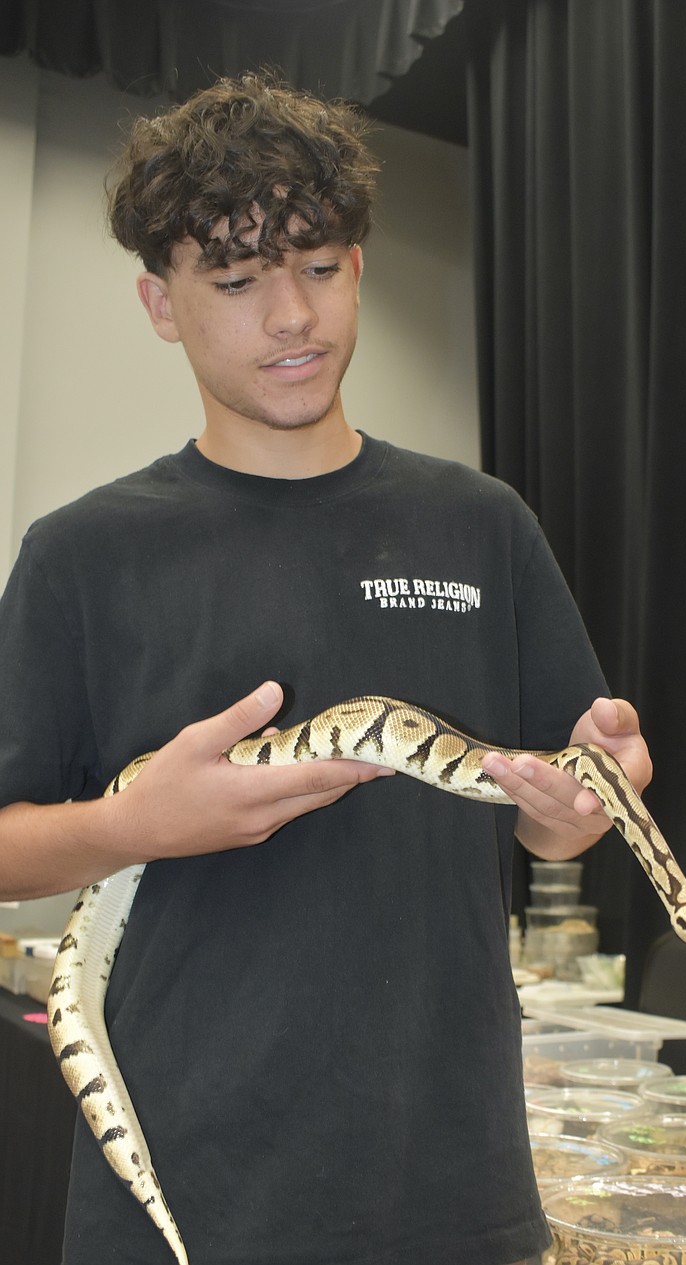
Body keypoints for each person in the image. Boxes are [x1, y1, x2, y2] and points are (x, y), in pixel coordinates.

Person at [0, 73, 651, 1265]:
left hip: (449, 1182)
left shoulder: (481, 523)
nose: (290, 315)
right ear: (161, 300)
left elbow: (553, 821)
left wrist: (584, 803)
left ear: (359, 265)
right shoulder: (83, 552)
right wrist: (141, 820)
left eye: (320, 265)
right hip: (187, 1191)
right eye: (238, 281)